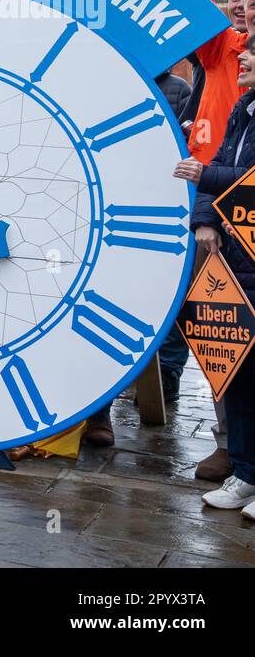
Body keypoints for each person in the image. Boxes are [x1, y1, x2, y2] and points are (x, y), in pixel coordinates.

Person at [151, 0, 251, 469]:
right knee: (217, 321)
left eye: (252, 0)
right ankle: (226, 444)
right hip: (209, 204)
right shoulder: (222, 52)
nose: (241, 7)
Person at [176, 29, 255, 521]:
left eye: (253, 52)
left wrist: (202, 177)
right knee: (242, 374)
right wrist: (205, 217)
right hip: (238, 257)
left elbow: (233, 175)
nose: (241, 55)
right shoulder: (242, 108)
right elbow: (223, 161)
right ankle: (246, 474)